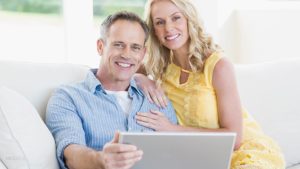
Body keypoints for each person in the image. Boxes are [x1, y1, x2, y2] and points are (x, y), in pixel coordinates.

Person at [134, 0, 285, 168]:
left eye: (176, 18)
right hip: (202, 156)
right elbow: (121, 72)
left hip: (245, 154)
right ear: (153, 30)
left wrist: (171, 129)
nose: (168, 28)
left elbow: (234, 138)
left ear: (189, 19)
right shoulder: (159, 63)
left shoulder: (218, 66)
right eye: (159, 22)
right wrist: (139, 78)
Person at [46, 11, 177, 169]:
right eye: (118, 45)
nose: (126, 54)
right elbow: (71, 154)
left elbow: (175, 154)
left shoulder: (156, 98)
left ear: (142, 54)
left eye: (135, 48)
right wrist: (100, 160)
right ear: (100, 47)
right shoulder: (68, 97)